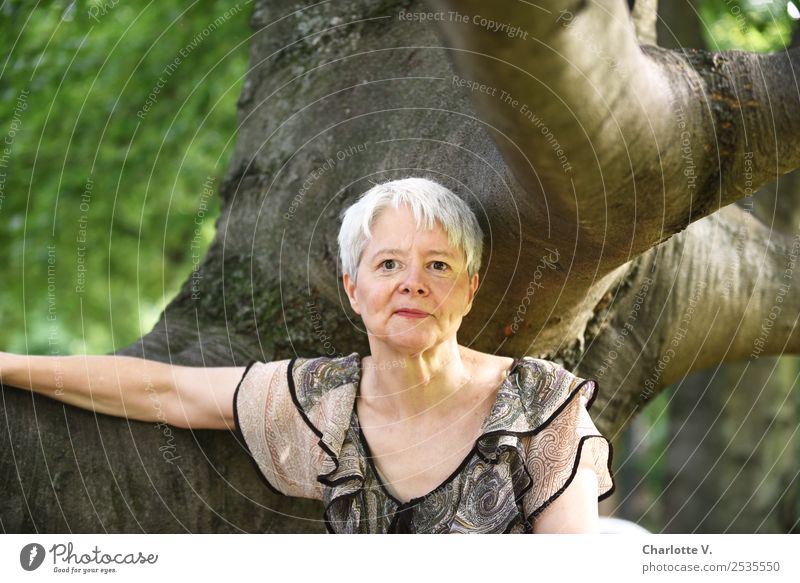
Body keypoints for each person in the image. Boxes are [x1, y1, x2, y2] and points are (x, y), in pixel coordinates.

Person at [0, 177, 614, 534]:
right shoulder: (324, 398)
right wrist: (7, 366)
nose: (413, 283)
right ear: (354, 288)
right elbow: (167, 390)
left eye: (438, 265)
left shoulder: (543, 405)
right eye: (388, 264)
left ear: (470, 287)